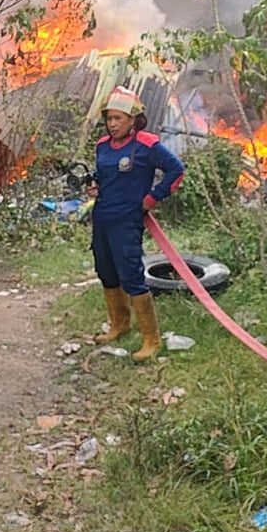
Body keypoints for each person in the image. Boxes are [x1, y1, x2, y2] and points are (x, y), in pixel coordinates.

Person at [86, 86, 185, 362]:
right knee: (106, 272)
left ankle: (151, 339)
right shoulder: (102, 146)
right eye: (109, 118)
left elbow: (176, 170)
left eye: (118, 118)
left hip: (127, 222)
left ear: (133, 119)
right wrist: (94, 186)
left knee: (131, 275)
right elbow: (103, 176)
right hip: (102, 218)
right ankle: (119, 325)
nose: (112, 124)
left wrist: (152, 199)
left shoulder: (146, 144)